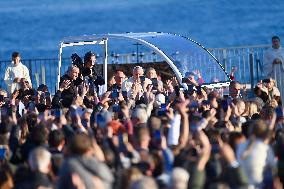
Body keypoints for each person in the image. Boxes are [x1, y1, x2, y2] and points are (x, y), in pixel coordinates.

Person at [263, 36, 284, 104]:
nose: (275, 43)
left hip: (282, 74)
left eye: (276, 41)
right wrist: (273, 62)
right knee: (274, 91)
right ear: (272, 43)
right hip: (272, 75)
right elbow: (265, 64)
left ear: (279, 42)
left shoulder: (283, 50)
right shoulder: (267, 52)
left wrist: (281, 61)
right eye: (274, 41)